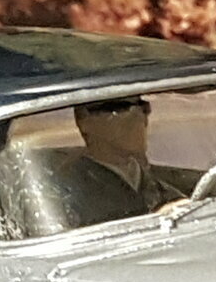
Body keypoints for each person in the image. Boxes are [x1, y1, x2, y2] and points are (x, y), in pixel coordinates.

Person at [61, 97, 191, 226]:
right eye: (119, 108)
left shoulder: (163, 184)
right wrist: (154, 220)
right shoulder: (67, 192)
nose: (138, 116)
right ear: (84, 120)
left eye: (143, 107)